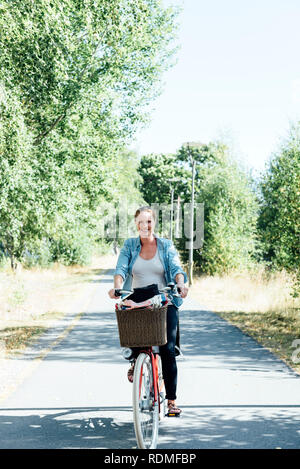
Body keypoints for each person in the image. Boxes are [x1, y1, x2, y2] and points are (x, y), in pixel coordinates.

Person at [108, 205, 188, 416]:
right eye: (141, 222)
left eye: (149, 221)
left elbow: (176, 268)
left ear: (154, 223)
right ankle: (137, 359)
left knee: (167, 349)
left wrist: (181, 283)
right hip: (139, 299)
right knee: (137, 339)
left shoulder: (165, 245)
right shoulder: (130, 245)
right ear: (136, 224)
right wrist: (117, 287)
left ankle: (171, 401)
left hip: (164, 300)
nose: (145, 225)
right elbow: (121, 270)